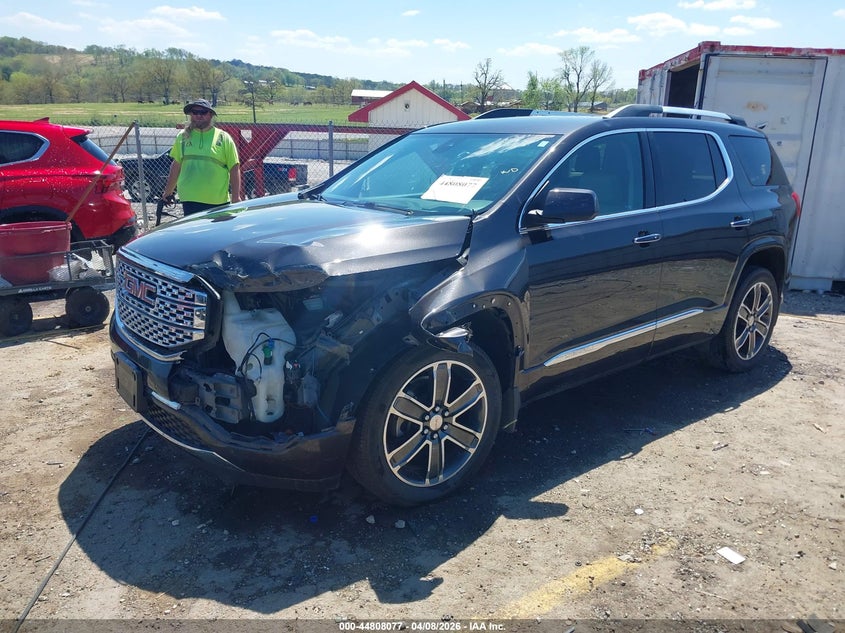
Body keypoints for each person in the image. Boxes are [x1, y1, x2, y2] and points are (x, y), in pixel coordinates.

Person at [161, 99, 241, 216]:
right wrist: (168, 192)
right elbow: (176, 166)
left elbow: (234, 168)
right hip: (190, 200)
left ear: (210, 115)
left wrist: (236, 197)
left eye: (203, 112)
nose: (198, 115)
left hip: (217, 201)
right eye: (195, 112)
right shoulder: (182, 137)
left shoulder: (223, 138)